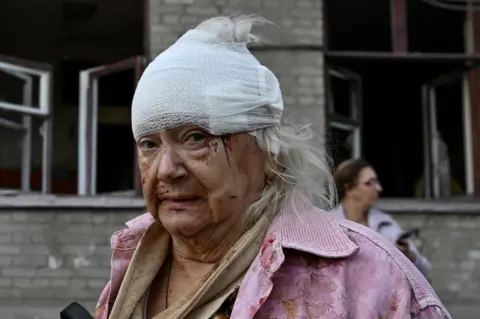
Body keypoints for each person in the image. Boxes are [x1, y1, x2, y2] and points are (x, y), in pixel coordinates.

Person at [95, 16, 450, 319]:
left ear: (266, 152)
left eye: (195, 138)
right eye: (149, 145)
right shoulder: (132, 265)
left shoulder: (367, 276)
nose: (166, 170)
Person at [331, 158, 432, 279]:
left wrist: (408, 255)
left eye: (377, 182)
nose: (379, 188)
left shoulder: (385, 224)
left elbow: (424, 271)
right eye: (369, 183)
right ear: (349, 189)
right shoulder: (329, 224)